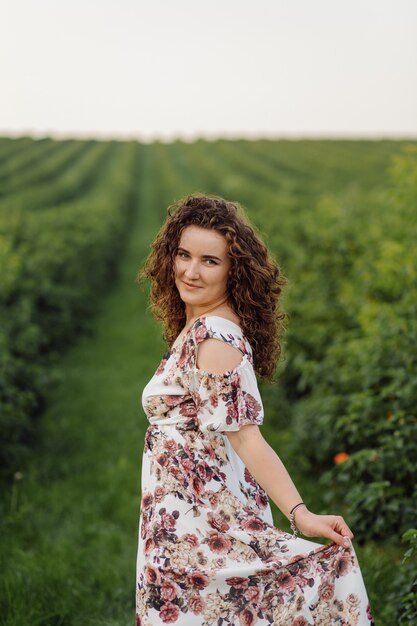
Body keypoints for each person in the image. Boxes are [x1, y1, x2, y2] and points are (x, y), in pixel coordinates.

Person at [135, 194, 374, 625]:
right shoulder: (204, 324)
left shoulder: (212, 338)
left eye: (210, 260)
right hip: (183, 515)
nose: (190, 271)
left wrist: (301, 515)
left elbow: (245, 436)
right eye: (184, 254)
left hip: (199, 526)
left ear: (233, 270)